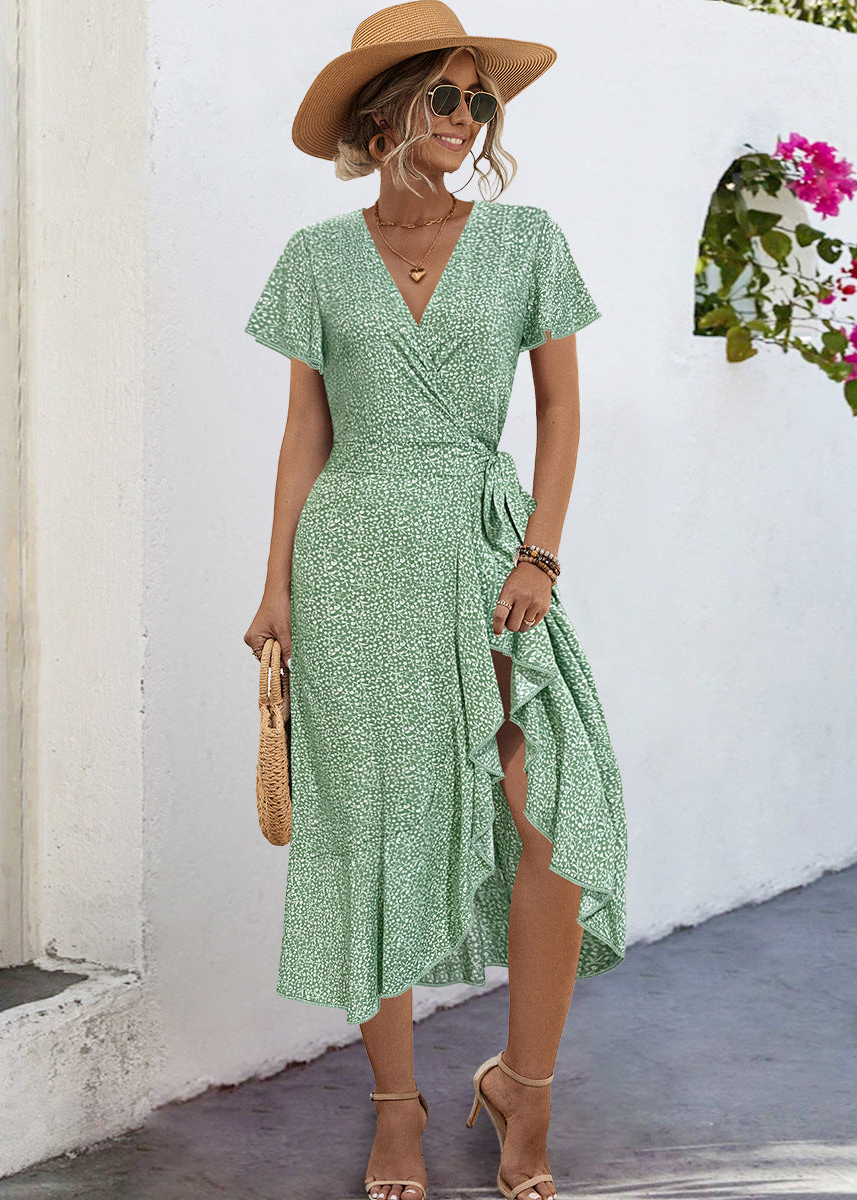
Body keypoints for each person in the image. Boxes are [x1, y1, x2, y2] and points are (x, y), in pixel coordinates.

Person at [242, 4, 628, 1199]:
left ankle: (526, 1088)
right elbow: (304, 434)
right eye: (445, 96)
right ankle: (397, 1108)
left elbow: (561, 409)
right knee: (371, 825)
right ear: (383, 115)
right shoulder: (316, 258)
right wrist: (275, 586)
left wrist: (539, 555)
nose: (468, 118)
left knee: (547, 812)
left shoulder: (525, 240)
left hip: (480, 546)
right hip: (351, 563)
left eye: (479, 100)